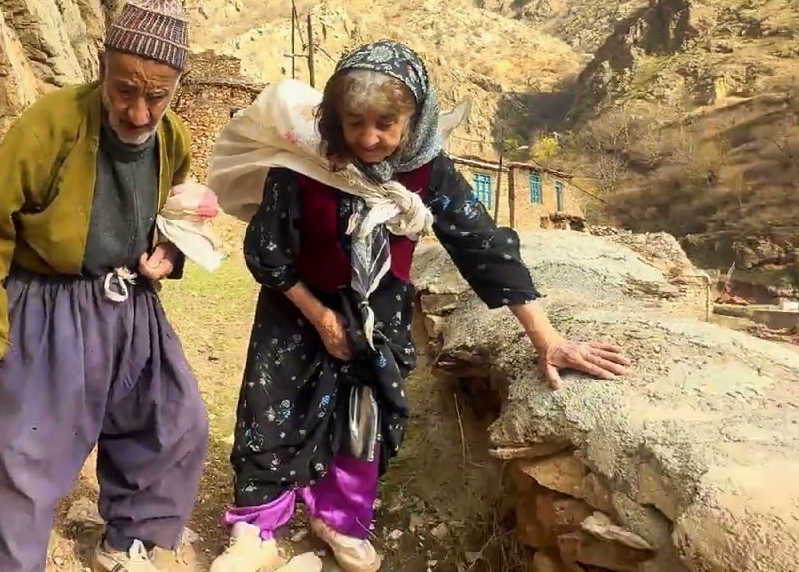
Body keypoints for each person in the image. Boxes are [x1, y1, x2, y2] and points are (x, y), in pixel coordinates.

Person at [205, 40, 632, 572]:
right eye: (354, 122)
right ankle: (256, 527)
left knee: (365, 414)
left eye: (386, 123)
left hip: (376, 315)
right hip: (295, 306)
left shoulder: (427, 170)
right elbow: (266, 251)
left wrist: (550, 341)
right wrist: (321, 317)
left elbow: (483, 248)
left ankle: (339, 518)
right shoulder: (302, 161)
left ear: (414, 116)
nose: (369, 138)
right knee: (272, 404)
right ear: (334, 119)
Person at [0, 0, 209, 572]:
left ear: (175, 87)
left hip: (131, 302)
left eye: (157, 96)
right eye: (125, 89)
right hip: (45, 305)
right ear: (103, 65)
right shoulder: (50, 126)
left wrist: (169, 252)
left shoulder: (172, 137)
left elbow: (173, 214)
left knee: (172, 420)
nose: (138, 112)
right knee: (25, 450)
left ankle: (127, 537)